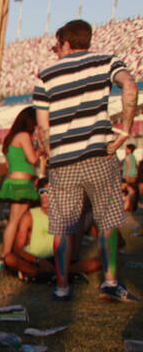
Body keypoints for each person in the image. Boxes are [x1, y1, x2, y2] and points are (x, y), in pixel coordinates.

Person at [34, 18, 138, 303]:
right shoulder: (107, 61)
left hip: (63, 161)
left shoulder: (46, 74)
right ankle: (110, 282)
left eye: (57, 45)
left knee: (62, 227)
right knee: (107, 222)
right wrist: (126, 129)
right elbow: (130, 87)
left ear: (65, 42)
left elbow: (43, 127)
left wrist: (50, 154)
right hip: (99, 155)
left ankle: (62, 286)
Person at [3, 180, 101, 283]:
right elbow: (18, 249)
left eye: (49, 192)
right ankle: (50, 275)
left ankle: (50, 275)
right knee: (9, 258)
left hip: (57, 260)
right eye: (42, 192)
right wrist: (38, 260)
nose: (45, 196)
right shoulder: (29, 216)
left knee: (99, 261)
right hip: (35, 259)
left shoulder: (64, 216)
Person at [0, 107, 44, 262]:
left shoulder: (11, 138)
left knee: (15, 219)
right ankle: (7, 254)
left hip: (12, 179)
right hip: (22, 182)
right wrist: (41, 150)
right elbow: (32, 159)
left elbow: (10, 163)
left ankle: (11, 252)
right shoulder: (23, 136)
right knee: (17, 220)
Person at [121, 143, 138, 213]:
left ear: (130, 149)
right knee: (131, 191)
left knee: (124, 190)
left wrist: (126, 176)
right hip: (133, 175)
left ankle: (125, 206)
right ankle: (130, 206)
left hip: (127, 176)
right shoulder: (134, 157)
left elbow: (128, 166)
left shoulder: (128, 157)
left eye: (126, 149)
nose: (125, 150)